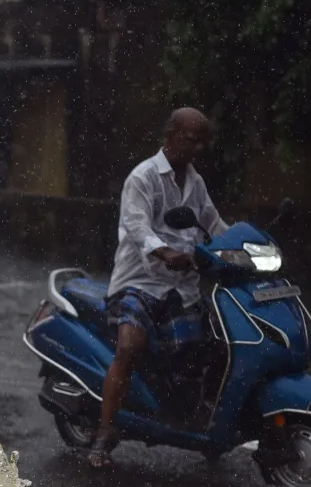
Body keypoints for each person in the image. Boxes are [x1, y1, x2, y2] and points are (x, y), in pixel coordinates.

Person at [90, 107, 230, 468]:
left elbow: (213, 224)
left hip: (181, 287)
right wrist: (165, 251)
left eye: (202, 140)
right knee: (130, 344)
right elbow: (137, 227)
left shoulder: (195, 183)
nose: (198, 146)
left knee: (219, 345)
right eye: (190, 138)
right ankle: (104, 434)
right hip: (139, 282)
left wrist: (246, 246)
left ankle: (202, 422)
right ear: (170, 135)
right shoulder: (143, 177)